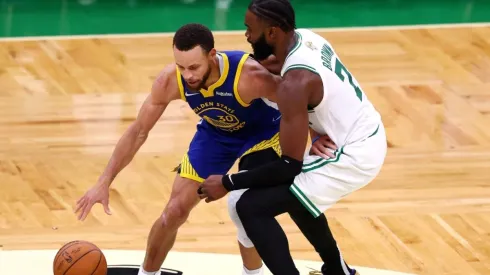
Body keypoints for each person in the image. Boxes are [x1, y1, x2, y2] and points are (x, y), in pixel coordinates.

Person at [74, 23, 333, 275]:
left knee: (241, 206)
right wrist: (104, 181)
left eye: (194, 67)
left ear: (212, 55)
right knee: (173, 211)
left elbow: (297, 98)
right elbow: (138, 131)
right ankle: (147, 273)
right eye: (181, 66)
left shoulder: (249, 76)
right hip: (217, 135)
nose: (188, 75)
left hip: (264, 135)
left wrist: (316, 133)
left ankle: (252, 272)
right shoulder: (171, 81)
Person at [199, 0, 388, 274]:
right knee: (293, 190)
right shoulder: (306, 38)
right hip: (361, 129)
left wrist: (227, 182)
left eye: (250, 29)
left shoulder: (295, 83)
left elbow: (289, 165)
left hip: (352, 154)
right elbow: (271, 62)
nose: (247, 36)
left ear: (273, 33)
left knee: (249, 207)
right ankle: (337, 269)